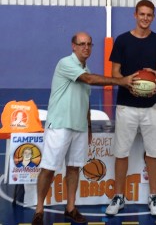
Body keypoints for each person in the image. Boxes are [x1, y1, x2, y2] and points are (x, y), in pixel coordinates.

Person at [32, 32, 136, 225]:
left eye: (89, 44)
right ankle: (39, 210)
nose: (85, 47)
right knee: (48, 169)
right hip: (60, 124)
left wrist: (88, 126)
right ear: (73, 46)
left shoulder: (85, 67)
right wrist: (120, 81)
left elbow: (85, 101)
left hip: (79, 127)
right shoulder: (65, 64)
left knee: (73, 168)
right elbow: (89, 80)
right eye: (81, 44)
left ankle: (70, 207)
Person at [105, 0, 156, 216]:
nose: (145, 18)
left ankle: (153, 196)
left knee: (154, 153)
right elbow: (115, 73)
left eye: (149, 15)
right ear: (135, 15)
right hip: (126, 106)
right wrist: (127, 81)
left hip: (151, 106)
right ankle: (119, 195)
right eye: (142, 14)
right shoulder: (122, 40)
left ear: (153, 17)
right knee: (121, 152)